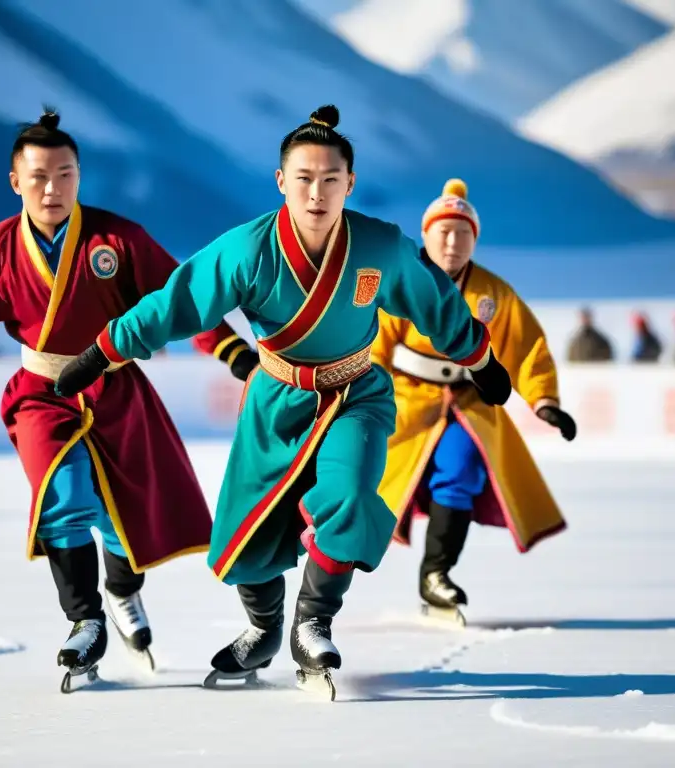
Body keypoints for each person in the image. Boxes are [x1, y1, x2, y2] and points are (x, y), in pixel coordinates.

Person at [53, 105, 513, 699]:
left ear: (349, 183)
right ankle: (264, 629)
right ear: (281, 181)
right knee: (248, 533)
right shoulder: (247, 250)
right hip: (274, 401)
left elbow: (436, 306)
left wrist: (482, 361)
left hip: (356, 395)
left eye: (330, 180)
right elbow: (176, 303)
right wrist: (101, 351)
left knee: (346, 496)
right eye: (304, 178)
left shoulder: (380, 247)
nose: (316, 193)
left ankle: (313, 622)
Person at [0, 109, 253, 693]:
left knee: (122, 513)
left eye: (65, 174)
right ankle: (85, 620)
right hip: (43, 393)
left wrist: (234, 354)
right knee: (65, 497)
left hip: (116, 387)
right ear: (16, 181)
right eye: (39, 176)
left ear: (79, 178)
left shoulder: (118, 240)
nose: (52, 188)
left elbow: (180, 301)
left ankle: (121, 589)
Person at [372, 179, 574, 625]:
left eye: (463, 233)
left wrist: (544, 400)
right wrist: (367, 399)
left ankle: (436, 575)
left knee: (460, 469)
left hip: (469, 402)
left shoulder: (493, 293)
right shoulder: (402, 284)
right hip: (403, 401)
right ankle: (328, 568)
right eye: (443, 231)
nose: (452, 241)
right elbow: (373, 348)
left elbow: (525, 349)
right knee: (362, 478)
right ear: (424, 236)